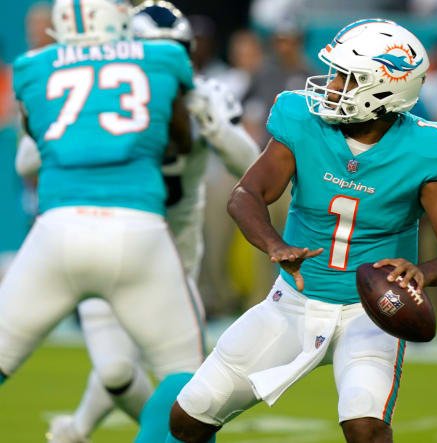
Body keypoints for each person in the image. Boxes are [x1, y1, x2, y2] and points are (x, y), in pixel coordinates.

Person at [167, 19, 437, 443]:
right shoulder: (303, 119)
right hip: (292, 301)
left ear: (383, 88)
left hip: (371, 311)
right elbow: (246, 194)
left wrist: (423, 273)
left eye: (345, 77)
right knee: (190, 415)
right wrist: (274, 244)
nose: (331, 84)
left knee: (365, 426)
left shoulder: (428, 149)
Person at [18, 2, 257, 442]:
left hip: (170, 263)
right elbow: (27, 159)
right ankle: (84, 429)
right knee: (115, 372)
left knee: (188, 387)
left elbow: (250, 167)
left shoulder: (204, 96)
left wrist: (218, 129)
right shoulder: (99, 98)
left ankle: (85, 430)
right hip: (114, 240)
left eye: (176, 51)